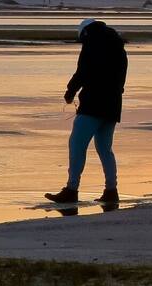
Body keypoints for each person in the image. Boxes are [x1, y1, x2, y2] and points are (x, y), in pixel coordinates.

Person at [46, 19, 127, 204]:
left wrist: (70, 91)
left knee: (76, 145)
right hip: (113, 105)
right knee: (105, 149)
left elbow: (83, 71)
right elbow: (120, 78)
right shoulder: (118, 45)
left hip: (93, 104)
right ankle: (111, 191)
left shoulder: (92, 43)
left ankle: (71, 189)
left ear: (84, 33)